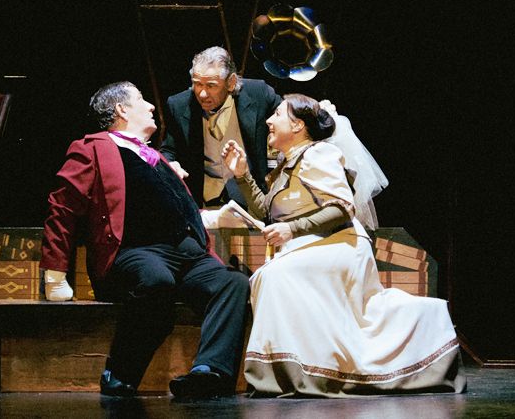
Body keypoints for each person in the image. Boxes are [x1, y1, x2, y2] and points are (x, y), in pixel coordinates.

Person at [221, 94, 466, 397]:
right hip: (310, 246)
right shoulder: (286, 165)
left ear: (297, 126)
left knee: (273, 276)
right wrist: (242, 174)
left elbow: (341, 207)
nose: (269, 121)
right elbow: (267, 211)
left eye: (278, 114)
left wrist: (291, 229)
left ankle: (301, 372)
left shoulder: (319, 154)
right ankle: (300, 368)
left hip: (340, 244)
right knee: (269, 276)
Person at [40, 81, 250, 399]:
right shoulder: (93, 148)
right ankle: (120, 372)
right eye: (141, 100)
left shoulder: (154, 156)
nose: (151, 106)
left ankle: (209, 372)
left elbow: (172, 209)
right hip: (136, 251)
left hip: (188, 254)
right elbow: (63, 207)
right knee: (156, 280)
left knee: (232, 283)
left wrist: (215, 218)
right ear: (121, 110)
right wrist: (55, 272)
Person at [161, 46, 282, 209]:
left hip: (252, 199)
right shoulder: (178, 105)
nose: (202, 94)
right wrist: (170, 164)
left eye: (211, 86)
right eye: (197, 84)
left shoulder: (259, 93)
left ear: (231, 82)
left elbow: (291, 120)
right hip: (204, 201)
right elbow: (169, 149)